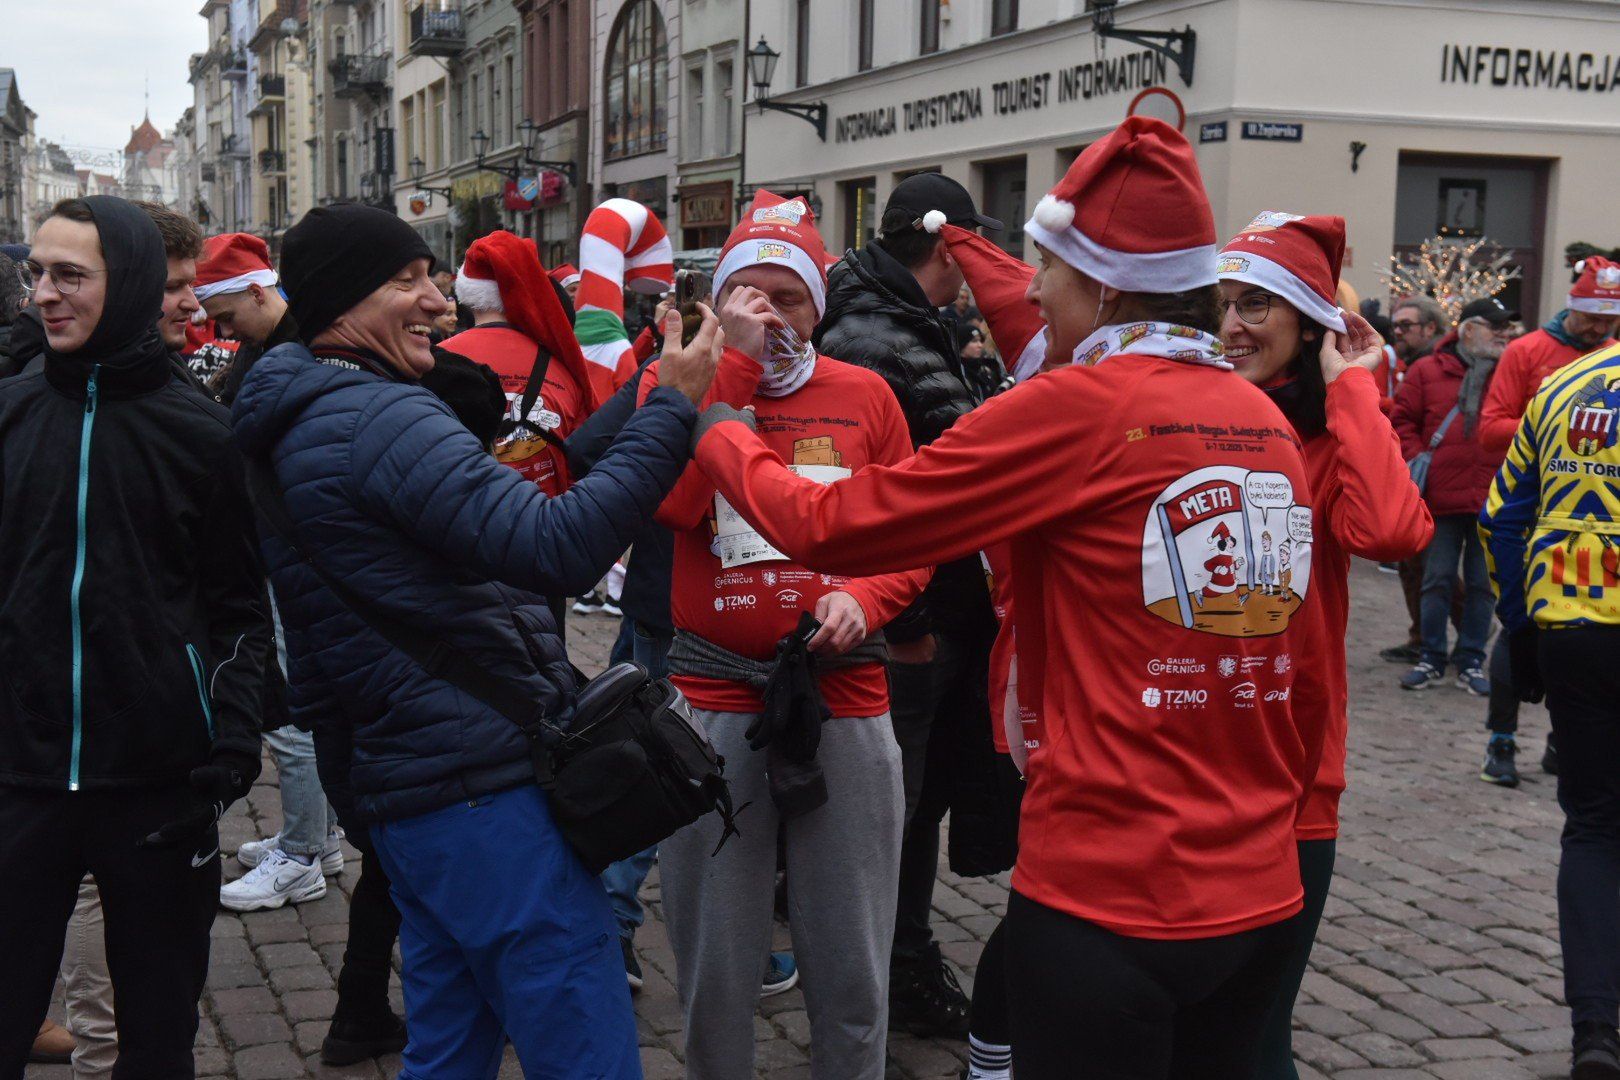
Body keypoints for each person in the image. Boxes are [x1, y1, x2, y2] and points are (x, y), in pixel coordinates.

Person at [687, 117, 1324, 1080]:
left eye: (1049, 268)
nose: (1030, 289)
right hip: (1261, 886)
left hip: (1116, 888)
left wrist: (719, 426)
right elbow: (1301, 658)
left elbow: (836, 525)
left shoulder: (1081, 405)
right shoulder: (1260, 418)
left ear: (1104, 284)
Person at [229, 202, 720, 1078]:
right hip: (484, 797)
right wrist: (672, 410)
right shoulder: (379, 418)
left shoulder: (308, 413)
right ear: (343, 302)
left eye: (434, 276)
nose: (440, 301)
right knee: (585, 1052)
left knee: (449, 1048)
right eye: (408, 281)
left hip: (414, 789)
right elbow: (558, 547)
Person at [639, 189, 927, 1080]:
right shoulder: (679, 387)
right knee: (717, 969)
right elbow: (673, 504)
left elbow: (914, 540)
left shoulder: (868, 396)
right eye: (748, 298)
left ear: (822, 305)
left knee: (851, 966)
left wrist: (869, 601)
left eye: (789, 298)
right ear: (720, 303)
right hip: (717, 705)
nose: (770, 317)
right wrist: (725, 380)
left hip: (844, 703)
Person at [0, 196, 270, 1078]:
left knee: (157, 1039)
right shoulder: (8, 416)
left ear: (129, 288)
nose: (43, 292)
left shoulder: (203, 434)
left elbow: (238, 607)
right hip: (19, 784)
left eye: (69, 274)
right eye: (36, 271)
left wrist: (227, 738)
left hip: (158, 791)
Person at [1215, 211, 1433, 1079]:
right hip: (1185, 755)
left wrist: (1354, 389)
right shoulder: (1191, 422)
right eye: (1224, 305)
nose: (1233, 325)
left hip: (1295, 773)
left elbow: (1390, 531)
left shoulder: (1329, 438)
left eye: (1258, 307)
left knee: (1253, 1032)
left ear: (1310, 326)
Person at [814, 170, 1015, 1040]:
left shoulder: (905, 324)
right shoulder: (872, 336)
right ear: (947, 245)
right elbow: (878, 498)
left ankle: (897, 953)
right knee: (897, 807)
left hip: (933, 606)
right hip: (908, 620)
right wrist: (909, 624)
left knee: (918, 799)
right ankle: (890, 965)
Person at [1480, 337, 1620, 1079]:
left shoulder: (1568, 385)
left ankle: (1596, 1028)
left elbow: (1502, 515)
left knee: (1595, 827)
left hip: (1577, 626)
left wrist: (1521, 624)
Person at [1474, 257, 1619, 782]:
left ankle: (1563, 740)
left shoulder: (1607, 358)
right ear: (1572, 306)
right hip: (1531, 511)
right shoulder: (1527, 351)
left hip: (1595, 533)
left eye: (1610, 319)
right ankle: (1501, 740)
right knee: (1516, 630)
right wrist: (1553, 434)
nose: (1601, 329)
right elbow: (1489, 428)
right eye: (1592, 317)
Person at [1391, 296, 1514, 700]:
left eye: (1505, 326)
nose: (1503, 333)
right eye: (1493, 325)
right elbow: (1403, 421)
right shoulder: (1428, 370)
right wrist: (1417, 458)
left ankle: (1472, 659)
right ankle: (1430, 657)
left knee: (1482, 586)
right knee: (1436, 580)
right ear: (1467, 330)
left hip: (1493, 498)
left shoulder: (1512, 372)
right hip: (1441, 497)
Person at [444, 230, 601, 499]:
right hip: (548, 524)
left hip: (457, 525)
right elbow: (587, 460)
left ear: (467, 295)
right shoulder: (563, 365)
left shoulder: (433, 360)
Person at [1381, 295, 1450, 664]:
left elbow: (1412, 421)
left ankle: (1431, 636)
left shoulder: (1437, 366)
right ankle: (1423, 635)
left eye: (1406, 325)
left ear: (1430, 328)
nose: (1398, 332)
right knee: (1418, 563)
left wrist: (1414, 452)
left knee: (1425, 564)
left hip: (1432, 480)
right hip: (1424, 474)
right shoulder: (1420, 365)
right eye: (1396, 326)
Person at [195, 232, 299, 404]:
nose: (226, 333)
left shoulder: (313, 343)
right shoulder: (252, 345)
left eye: (227, 318)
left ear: (256, 294)